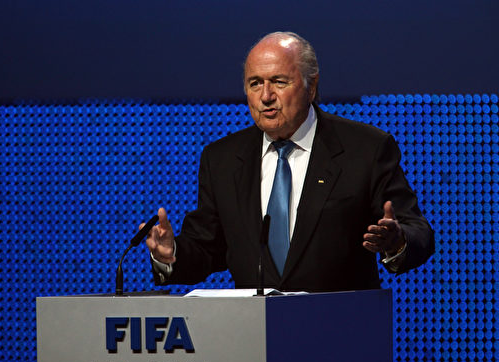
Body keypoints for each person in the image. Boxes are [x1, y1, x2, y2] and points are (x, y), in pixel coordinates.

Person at [142, 31, 434, 292]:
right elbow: (208, 247)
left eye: (279, 82)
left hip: (341, 326)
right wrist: (170, 253)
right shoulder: (222, 159)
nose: (266, 96)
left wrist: (397, 242)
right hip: (253, 330)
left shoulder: (365, 148)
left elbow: (419, 231)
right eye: (255, 83)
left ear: (311, 86)